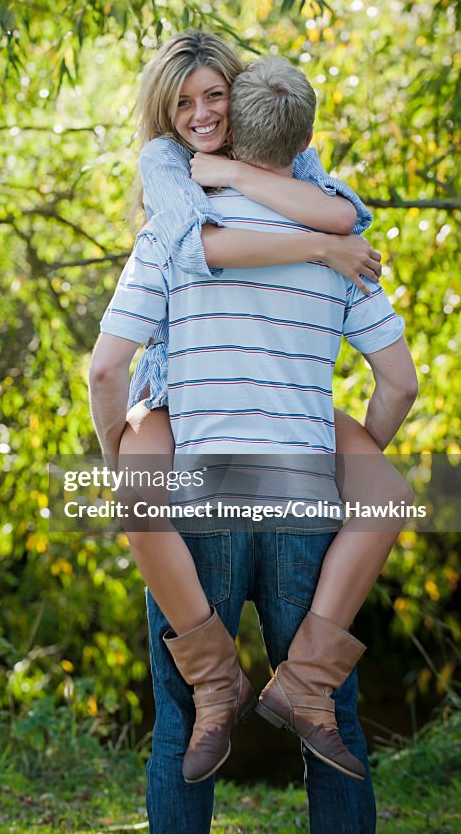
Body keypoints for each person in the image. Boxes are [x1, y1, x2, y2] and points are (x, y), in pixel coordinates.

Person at [89, 52, 417, 834]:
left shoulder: (172, 234)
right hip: (303, 496)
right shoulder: (334, 226)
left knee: (181, 729)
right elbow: (400, 384)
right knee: (329, 728)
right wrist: (347, 461)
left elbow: (105, 369)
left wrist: (123, 454)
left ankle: (216, 689)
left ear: (233, 115)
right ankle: (299, 688)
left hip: (198, 494)